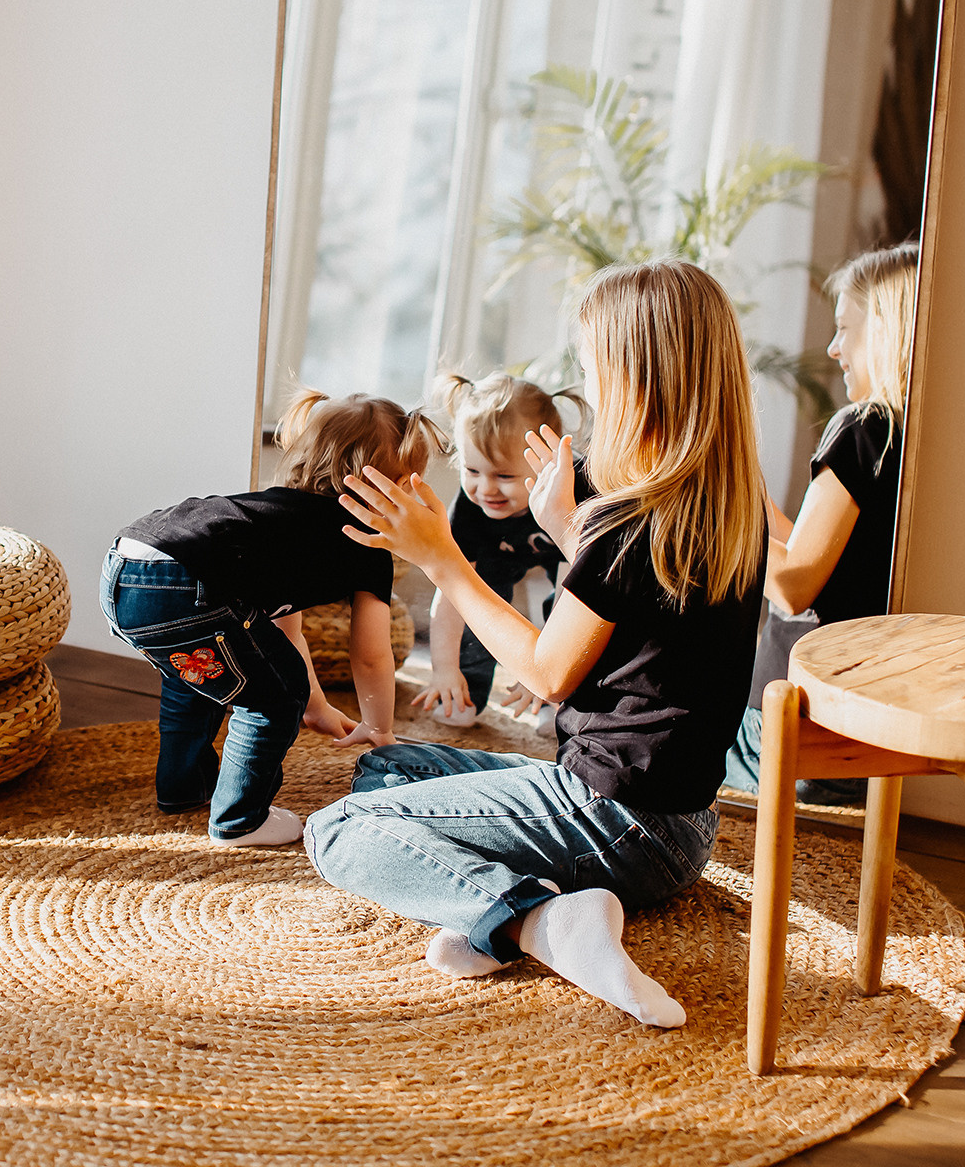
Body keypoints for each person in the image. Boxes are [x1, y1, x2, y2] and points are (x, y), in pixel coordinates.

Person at [306, 260, 768, 1027]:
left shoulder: (629, 521)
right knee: (389, 769)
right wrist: (564, 528)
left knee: (342, 828)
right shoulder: (720, 511)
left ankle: (533, 918)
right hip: (684, 820)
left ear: (635, 379)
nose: (588, 393)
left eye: (593, 370)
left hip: (616, 817)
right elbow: (634, 627)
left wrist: (442, 561)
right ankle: (534, 897)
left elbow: (549, 672)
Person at [102, 391, 444, 847]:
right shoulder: (365, 542)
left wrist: (317, 707)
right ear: (395, 486)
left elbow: (285, 635)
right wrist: (379, 727)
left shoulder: (277, 519)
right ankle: (240, 821)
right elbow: (370, 655)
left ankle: (183, 789)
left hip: (126, 567)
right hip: (184, 580)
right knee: (275, 699)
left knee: (197, 682)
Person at [724, 243, 918, 807]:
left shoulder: (863, 428)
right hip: (861, 737)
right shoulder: (911, 437)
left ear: (885, 330)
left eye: (844, 330)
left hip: (796, 738)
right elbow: (830, 564)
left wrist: (718, 519)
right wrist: (754, 506)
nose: (834, 349)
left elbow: (793, 588)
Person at [414, 373, 589, 729]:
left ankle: (561, 706)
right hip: (496, 551)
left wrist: (545, 673)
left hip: (568, 554)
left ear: (548, 462)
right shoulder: (470, 508)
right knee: (479, 599)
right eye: (472, 470)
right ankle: (461, 692)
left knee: (582, 625)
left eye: (504, 476)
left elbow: (575, 594)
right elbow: (452, 591)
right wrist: (443, 669)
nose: (485, 489)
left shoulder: (576, 491)